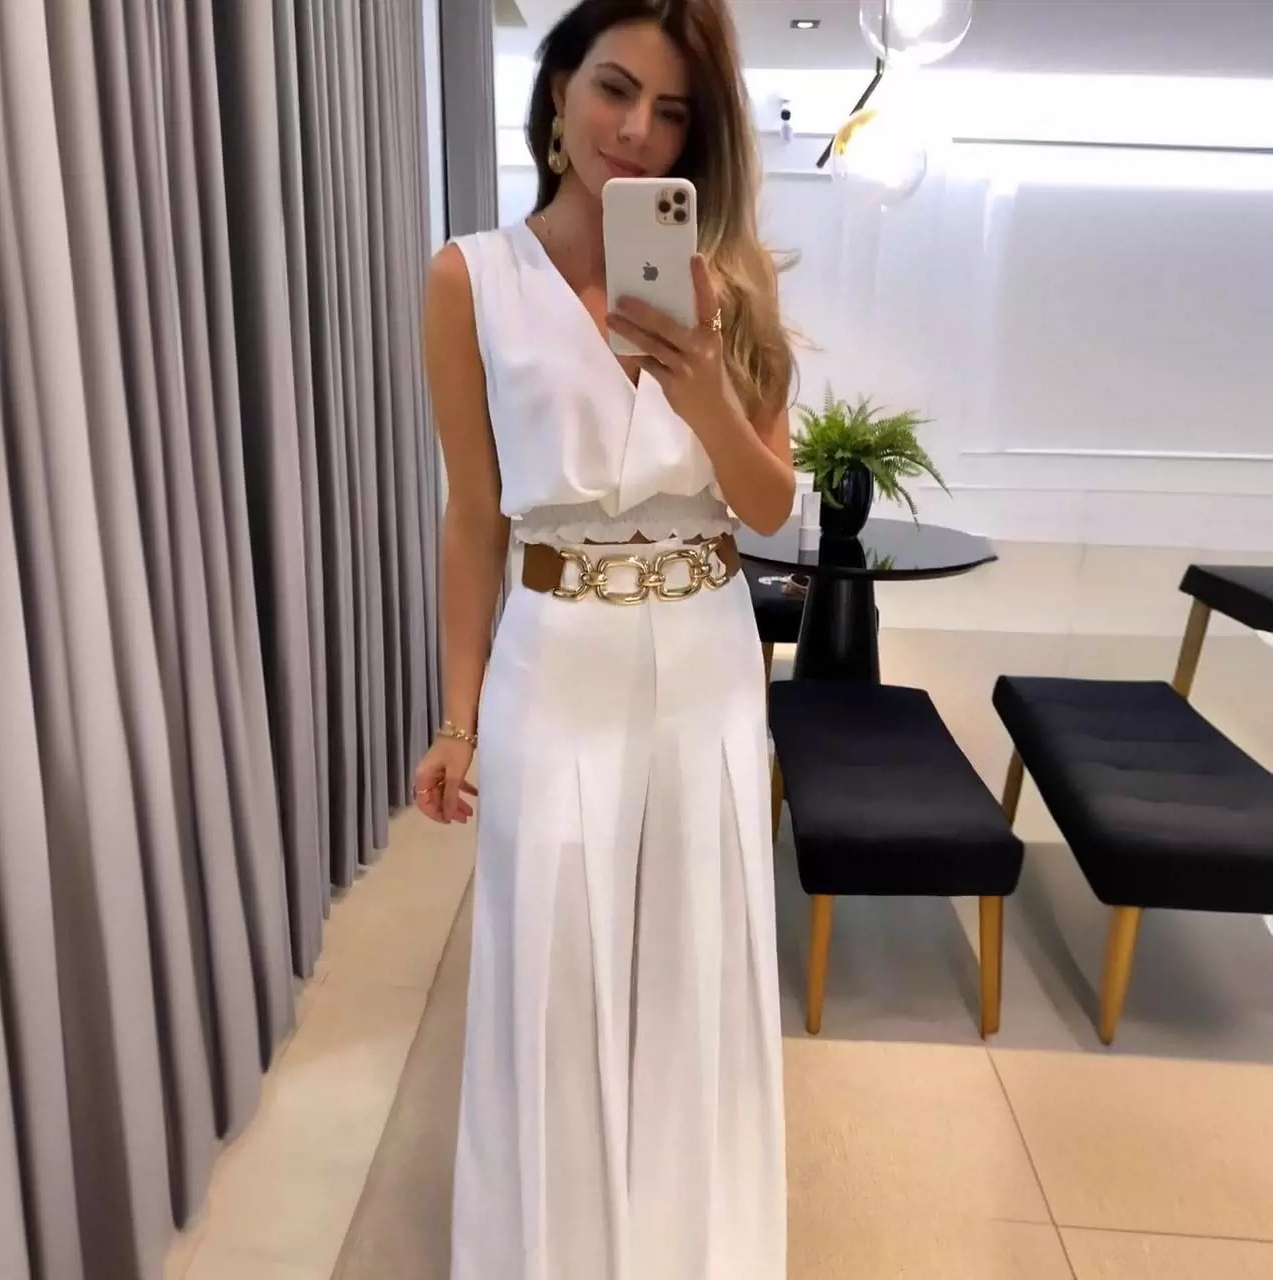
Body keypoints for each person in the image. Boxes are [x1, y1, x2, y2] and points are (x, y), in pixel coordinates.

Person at [414, 2, 796, 1276]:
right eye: (613, 89)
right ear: (558, 91)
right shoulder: (469, 276)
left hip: (704, 656)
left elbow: (766, 506)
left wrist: (704, 385)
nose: (636, 131)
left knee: (693, 955)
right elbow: (474, 515)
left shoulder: (730, 283)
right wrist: (458, 717)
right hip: (554, 656)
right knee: (553, 963)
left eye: (672, 111)